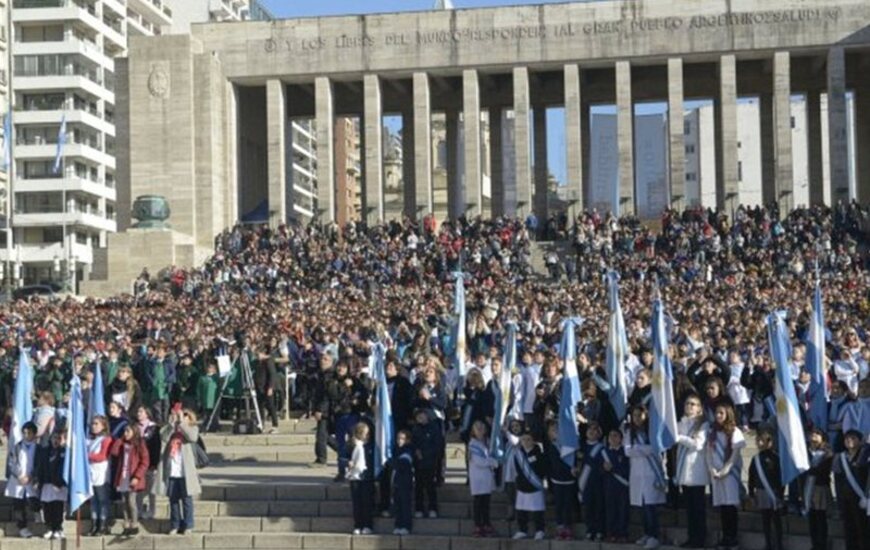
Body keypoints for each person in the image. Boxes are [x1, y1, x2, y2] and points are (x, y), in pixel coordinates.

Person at [154, 405, 202, 535]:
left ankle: (188, 524)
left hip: (186, 472)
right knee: (173, 500)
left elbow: (193, 437)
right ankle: (174, 524)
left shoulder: (192, 429)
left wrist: (182, 424)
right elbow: (163, 437)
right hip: (172, 471)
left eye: (185, 416)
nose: (182, 417)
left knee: (187, 500)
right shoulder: (170, 430)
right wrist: (172, 424)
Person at [624, 404, 665, 550]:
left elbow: (655, 449)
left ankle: (654, 535)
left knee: (650, 506)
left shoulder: (652, 431)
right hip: (637, 474)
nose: (637, 418)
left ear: (645, 415)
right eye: (634, 415)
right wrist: (643, 450)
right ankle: (647, 533)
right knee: (642, 506)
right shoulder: (629, 432)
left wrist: (638, 449)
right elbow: (628, 451)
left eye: (639, 415)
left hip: (651, 473)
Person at [706, 403, 745, 550]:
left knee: (730, 506)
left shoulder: (735, 432)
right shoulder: (712, 432)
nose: (718, 416)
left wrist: (724, 471)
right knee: (723, 506)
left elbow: (734, 456)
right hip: (716, 473)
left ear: (728, 414)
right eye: (717, 413)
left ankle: (732, 538)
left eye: (721, 413)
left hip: (730, 474)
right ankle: (725, 537)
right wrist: (712, 469)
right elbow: (709, 453)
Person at [674, 394, 709, 549]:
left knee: (698, 508)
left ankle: (700, 539)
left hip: (697, 471)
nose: (689, 406)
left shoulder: (703, 425)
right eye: (687, 403)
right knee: (689, 509)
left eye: (693, 404)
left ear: (699, 408)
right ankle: (691, 537)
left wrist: (680, 438)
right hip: (683, 471)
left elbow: (697, 444)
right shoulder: (680, 423)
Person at [110, 425, 150, 536]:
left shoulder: (140, 444)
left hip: (132, 476)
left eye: (128, 431)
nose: (125, 433)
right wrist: (120, 440)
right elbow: (114, 452)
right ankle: (126, 524)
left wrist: (137, 476)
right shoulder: (123, 444)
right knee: (124, 501)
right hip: (123, 476)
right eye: (124, 431)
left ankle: (135, 524)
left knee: (131, 501)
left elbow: (145, 461)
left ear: (134, 432)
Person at [832, 429, 869, 549]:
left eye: (853, 438)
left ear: (860, 441)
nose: (849, 440)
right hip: (846, 499)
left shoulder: (865, 456)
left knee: (863, 530)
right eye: (847, 438)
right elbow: (837, 480)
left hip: (861, 500)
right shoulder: (840, 458)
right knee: (849, 530)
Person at [748, 428, 783, 550]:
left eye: (762, 441)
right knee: (765, 519)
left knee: (776, 520)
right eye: (758, 441)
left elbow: (780, 477)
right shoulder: (756, 459)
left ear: (770, 442)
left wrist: (780, 494)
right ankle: (768, 544)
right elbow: (751, 476)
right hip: (761, 492)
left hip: (774, 492)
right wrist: (751, 493)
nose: (759, 443)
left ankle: (779, 544)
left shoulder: (776, 458)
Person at [512, 427, 547, 541]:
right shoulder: (518, 454)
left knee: (537, 510)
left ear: (533, 441)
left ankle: (540, 530)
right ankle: (522, 530)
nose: (526, 442)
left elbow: (542, 469)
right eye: (523, 439)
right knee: (521, 510)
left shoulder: (539, 454)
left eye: (528, 439)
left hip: (535, 485)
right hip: (522, 486)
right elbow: (517, 469)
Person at [6, 422, 39, 538]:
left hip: (31, 480)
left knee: (34, 501)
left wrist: (31, 476)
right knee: (18, 505)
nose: (26, 435)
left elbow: (39, 464)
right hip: (18, 480)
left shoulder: (38, 448)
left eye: (29, 433)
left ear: (34, 434)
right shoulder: (17, 446)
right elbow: (11, 463)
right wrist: (19, 475)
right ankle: (22, 527)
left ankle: (38, 516)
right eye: (24, 433)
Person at [544, 420, 577, 541]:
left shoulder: (569, 445)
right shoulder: (552, 447)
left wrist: (574, 469)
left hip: (569, 480)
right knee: (559, 505)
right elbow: (555, 464)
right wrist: (568, 469)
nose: (556, 432)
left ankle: (567, 527)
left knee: (568, 505)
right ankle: (560, 527)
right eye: (553, 430)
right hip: (557, 480)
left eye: (558, 429)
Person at [803, 427, 833, 550]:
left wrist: (808, 469)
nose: (813, 435)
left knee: (821, 518)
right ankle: (814, 544)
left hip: (820, 487)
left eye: (817, 434)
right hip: (808, 487)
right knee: (812, 518)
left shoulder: (827, 451)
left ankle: (822, 545)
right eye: (812, 433)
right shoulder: (805, 451)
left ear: (822, 437)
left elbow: (823, 470)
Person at [35, 430, 67, 540]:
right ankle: (49, 528)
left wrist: (60, 483)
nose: (56, 441)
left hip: (59, 485)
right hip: (47, 483)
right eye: (54, 438)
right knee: (47, 507)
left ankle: (58, 528)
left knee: (58, 507)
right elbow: (40, 467)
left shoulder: (64, 452)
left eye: (58, 438)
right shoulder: (45, 452)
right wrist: (38, 480)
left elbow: (64, 469)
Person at [468, 420, 497, 537]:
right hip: (478, 477)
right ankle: (478, 525)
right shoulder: (473, 444)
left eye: (481, 427)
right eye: (477, 428)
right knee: (478, 502)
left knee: (486, 502)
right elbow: (479, 461)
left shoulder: (488, 442)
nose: (480, 430)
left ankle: (486, 523)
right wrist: (492, 462)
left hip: (487, 476)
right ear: (473, 431)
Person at [601, 427, 630, 543]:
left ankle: (622, 534)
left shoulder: (625, 452)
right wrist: (604, 468)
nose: (613, 438)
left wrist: (614, 468)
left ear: (621, 439)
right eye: (610, 436)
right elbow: (599, 470)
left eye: (615, 436)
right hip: (609, 486)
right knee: (610, 510)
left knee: (623, 511)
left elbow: (627, 469)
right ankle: (611, 533)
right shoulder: (604, 452)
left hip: (622, 486)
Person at [578, 421, 605, 542]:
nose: (592, 431)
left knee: (599, 508)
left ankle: (599, 531)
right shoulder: (581, 447)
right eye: (590, 429)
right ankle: (590, 530)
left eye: (595, 429)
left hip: (598, 482)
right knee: (588, 508)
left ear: (599, 433)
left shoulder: (602, 448)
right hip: (585, 482)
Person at [412, 408, 440, 518]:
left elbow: (437, 444)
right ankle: (419, 508)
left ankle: (433, 508)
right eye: (418, 416)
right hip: (418, 462)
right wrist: (416, 452)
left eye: (422, 415)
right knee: (418, 486)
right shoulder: (415, 429)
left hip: (430, 461)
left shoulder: (434, 428)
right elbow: (413, 443)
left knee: (430, 486)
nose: (420, 418)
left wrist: (426, 454)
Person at [87, 415, 113, 536]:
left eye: (96, 424)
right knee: (93, 501)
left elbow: (102, 456)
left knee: (102, 500)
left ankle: (103, 525)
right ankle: (94, 524)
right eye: (92, 424)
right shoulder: (90, 440)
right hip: (91, 473)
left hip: (101, 473)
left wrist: (87, 456)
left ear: (103, 426)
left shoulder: (106, 439)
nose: (94, 426)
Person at [134, 406, 160, 520]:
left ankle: (152, 510)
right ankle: (138, 510)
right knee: (139, 489)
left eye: (141, 411)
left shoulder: (154, 428)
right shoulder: (134, 427)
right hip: (137, 463)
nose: (138, 413)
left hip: (150, 463)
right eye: (138, 411)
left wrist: (154, 463)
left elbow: (156, 447)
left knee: (150, 489)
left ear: (147, 413)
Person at [347, 421, 373, 535]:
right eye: (365, 434)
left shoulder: (370, 446)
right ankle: (358, 525)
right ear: (359, 434)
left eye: (368, 434)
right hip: (355, 477)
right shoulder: (351, 445)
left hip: (366, 477)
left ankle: (367, 525)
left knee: (367, 502)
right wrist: (347, 462)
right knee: (357, 503)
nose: (367, 436)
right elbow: (343, 457)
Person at [392, 429, 414, 535]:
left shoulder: (408, 451)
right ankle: (398, 524)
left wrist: (393, 462)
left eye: (402, 439)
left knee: (405, 505)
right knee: (398, 505)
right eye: (398, 438)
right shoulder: (396, 450)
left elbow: (404, 463)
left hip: (405, 482)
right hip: (397, 481)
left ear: (407, 440)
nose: (399, 441)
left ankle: (406, 525)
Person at [196, 363, 219, 433]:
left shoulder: (216, 378)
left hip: (214, 400)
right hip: (205, 400)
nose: (209, 369)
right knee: (206, 415)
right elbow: (199, 389)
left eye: (211, 368)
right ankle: (205, 427)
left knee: (214, 415)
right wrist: (199, 398)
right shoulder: (202, 378)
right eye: (209, 367)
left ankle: (214, 427)